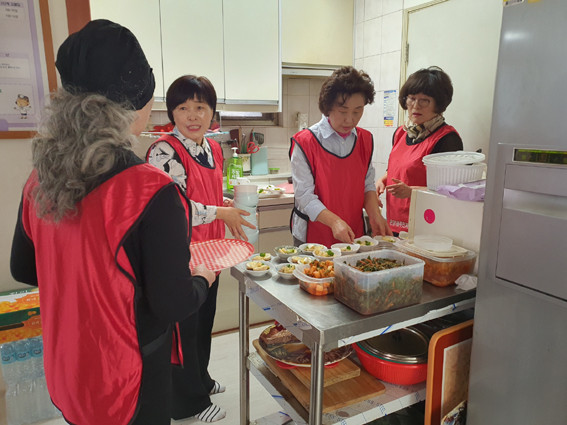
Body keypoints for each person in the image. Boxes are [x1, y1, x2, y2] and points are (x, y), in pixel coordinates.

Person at [10, 20, 215, 425]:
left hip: (67, 367)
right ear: (136, 103)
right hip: (126, 380)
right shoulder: (148, 189)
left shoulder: (41, 178)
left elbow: (24, 269)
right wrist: (202, 279)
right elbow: (171, 304)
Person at [146, 75, 252, 422]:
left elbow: (204, 193)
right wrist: (220, 212)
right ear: (171, 113)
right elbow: (172, 208)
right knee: (183, 331)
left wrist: (225, 204)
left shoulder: (212, 148)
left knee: (204, 321)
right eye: (182, 108)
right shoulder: (164, 151)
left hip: (211, 252)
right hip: (181, 255)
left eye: (200, 107)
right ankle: (188, 404)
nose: (192, 116)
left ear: (212, 112)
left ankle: (201, 380)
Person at [290, 66, 392, 247]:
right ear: (328, 108)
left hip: (354, 232)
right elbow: (304, 196)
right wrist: (334, 222)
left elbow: (367, 186)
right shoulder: (305, 142)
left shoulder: (365, 140)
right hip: (314, 234)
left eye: (357, 111)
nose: (350, 120)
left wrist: (375, 214)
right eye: (343, 111)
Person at [376, 66, 463, 235]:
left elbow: (450, 192)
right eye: (411, 98)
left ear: (439, 104)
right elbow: (398, 169)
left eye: (424, 100)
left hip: (426, 227)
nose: (416, 106)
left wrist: (412, 192)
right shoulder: (401, 133)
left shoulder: (447, 139)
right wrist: (383, 180)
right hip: (394, 223)